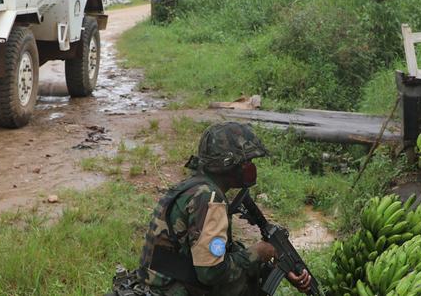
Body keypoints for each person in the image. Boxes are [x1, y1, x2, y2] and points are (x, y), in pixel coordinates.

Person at [109, 122, 313, 296]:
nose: (250, 167)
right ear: (229, 164)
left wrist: (276, 262)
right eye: (246, 161)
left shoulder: (194, 187)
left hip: (158, 285)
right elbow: (212, 273)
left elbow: (214, 253)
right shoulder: (209, 199)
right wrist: (258, 253)